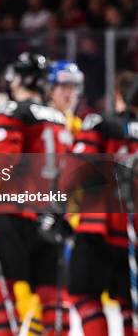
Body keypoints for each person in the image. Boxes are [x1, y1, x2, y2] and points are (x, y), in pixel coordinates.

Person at [0, 53, 73, 336]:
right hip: (50, 214)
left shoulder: (12, 110)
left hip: (14, 213)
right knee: (51, 296)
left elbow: (3, 163)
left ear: (20, 78)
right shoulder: (59, 118)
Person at [65, 71, 138, 336]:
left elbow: (77, 170)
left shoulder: (101, 122)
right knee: (130, 305)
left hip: (99, 227)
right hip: (133, 233)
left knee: (84, 296)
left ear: (118, 94)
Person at [47, 60, 84, 135]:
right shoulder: (40, 122)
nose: (69, 93)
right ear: (50, 91)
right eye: (64, 87)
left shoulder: (77, 126)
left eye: (73, 88)